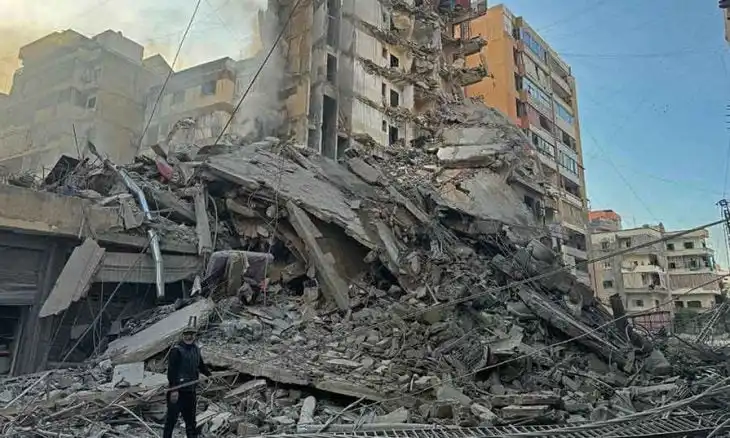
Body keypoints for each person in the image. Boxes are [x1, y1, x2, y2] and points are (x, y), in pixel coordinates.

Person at [163, 322, 211, 438]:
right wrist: (174, 390)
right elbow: (172, 372)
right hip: (178, 392)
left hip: (190, 391)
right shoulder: (176, 351)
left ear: (194, 336)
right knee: (171, 420)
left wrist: (209, 375)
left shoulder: (196, 349)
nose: (189, 337)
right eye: (186, 334)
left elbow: (200, 365)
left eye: (191, 334)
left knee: (191, 421)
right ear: (183, 336)